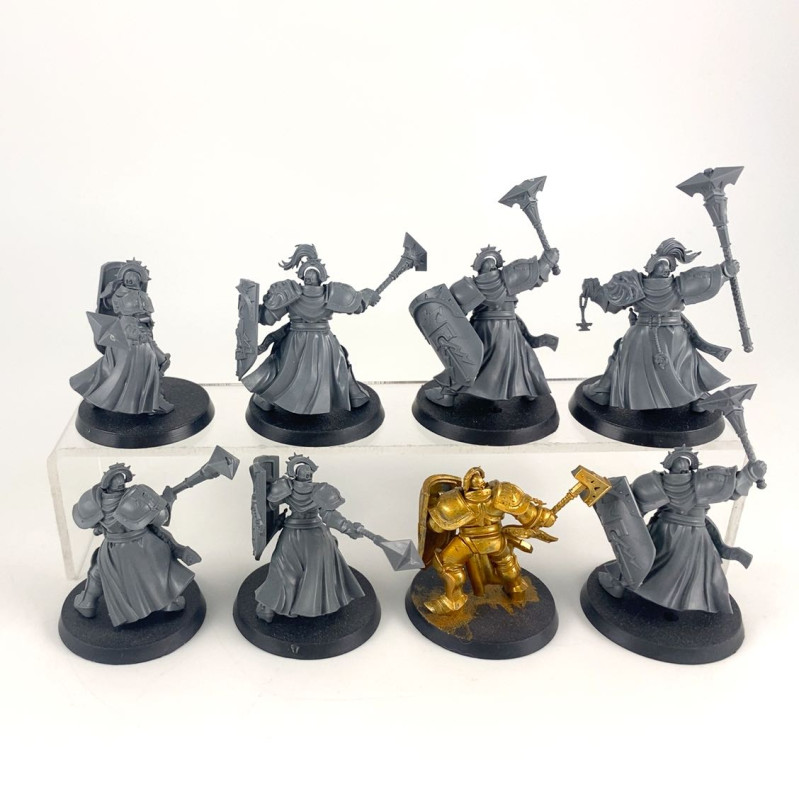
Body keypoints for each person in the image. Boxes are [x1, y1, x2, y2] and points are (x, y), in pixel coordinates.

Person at [599, 447, 767, 613]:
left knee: (654, 564)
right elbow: (736, 487)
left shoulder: (657, 483)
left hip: (668, 532)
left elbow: (629, 506)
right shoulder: (704, 481)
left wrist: (751, 473)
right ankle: (624, 585)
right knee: (695, 572)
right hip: (691, 536)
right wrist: (752, 473)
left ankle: (619, 584)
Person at [581, 239, 735, 410]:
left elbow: (610, 303)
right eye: (663, 263)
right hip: (658, 334)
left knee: (685, 364)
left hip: (659, 335)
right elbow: (611, 303)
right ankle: (604, 390)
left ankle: (696, 398)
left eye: (668, 264)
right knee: (679, 363)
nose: (665, 268)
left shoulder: (669, 285)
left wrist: (725, 272)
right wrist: (725, 272)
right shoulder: (644, 284)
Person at [241, 244, 379, 415]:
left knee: (281, 367)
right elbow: (358, 306)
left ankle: (266, 399)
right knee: (339, 364)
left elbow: (267, 318)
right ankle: (355, 396)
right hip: (324, 342)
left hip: (295, 341)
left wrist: (253, 308)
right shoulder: (333, 293)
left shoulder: (289, 292)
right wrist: (366, 296)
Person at [424, 245, 559, 406]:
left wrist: (548, 260)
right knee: (522, 359)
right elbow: (537, 273)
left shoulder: (469, 286)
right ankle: (531, 390)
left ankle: (447, 394)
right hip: (507, 330)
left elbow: (448, 310)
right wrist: (549, 259)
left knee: (472, 362)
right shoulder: (508, 278)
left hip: (486, 331)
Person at [71, 463, 200, 627]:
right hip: (143, 546)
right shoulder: (137, 496)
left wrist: (106, 527)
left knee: (98, 572)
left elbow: (94, 526)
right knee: (155, 572)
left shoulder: (94, 500)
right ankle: (167, 603)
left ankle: (87, 602)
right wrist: (167, 500)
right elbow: (160, 519)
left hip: (113, 549)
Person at [420, 466, 558, 613]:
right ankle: (516, 589)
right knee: (506, 563)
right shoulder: (503, 493)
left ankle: (453, 601)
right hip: (495, 541)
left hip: (467, 542)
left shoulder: (453, 500)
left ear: (466, 486)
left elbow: (436, 527)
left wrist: (433, 507)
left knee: (446, 564)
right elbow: (530, 516)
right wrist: (545, 517)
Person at [254, 455, 366, 622]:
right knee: (286, 569)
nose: (307, 477)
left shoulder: (288, 487)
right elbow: (329, 515)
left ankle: (268, 607)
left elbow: (268, 504)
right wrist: (347, 528)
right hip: (313, 535)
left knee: (284, 569)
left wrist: (347, 528)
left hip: (299, 535)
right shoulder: (318, 490)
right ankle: (270, 606)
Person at [70, 259, 173, 414]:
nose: (130, 280)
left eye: (134, 277)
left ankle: (151, 395)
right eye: (128, 277)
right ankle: (148, 401)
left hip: (144, 332)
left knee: (161, 361)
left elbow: (147, 315)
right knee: (140, 363)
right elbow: (122, 312)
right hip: (128, 334)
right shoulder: (119, 294)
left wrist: (147, 328)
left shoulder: (143, 296)